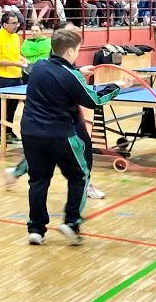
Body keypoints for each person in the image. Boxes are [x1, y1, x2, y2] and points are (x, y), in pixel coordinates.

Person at [20, 26, 128, 246]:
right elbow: (94, 100)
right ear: (70, 51)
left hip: (31, 133)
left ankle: (36, 230)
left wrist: (77, 70)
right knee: (80, 176)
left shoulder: (38, 66)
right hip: (60, 135)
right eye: (77, 50)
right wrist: (116, 86)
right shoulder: (71, 76)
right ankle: (71, 223)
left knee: (38, 180)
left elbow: (53, 72)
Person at [0, 10, 26, 146]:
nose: (17, 26)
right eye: (13, 23)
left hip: (16, 76)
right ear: (4, 24)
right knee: (0, 108)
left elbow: (16, 55)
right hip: (2, 78)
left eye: (17, 23)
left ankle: (8, 132)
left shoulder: (16, 37)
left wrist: (22, 60)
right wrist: (16, 63)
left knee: (12, 107)